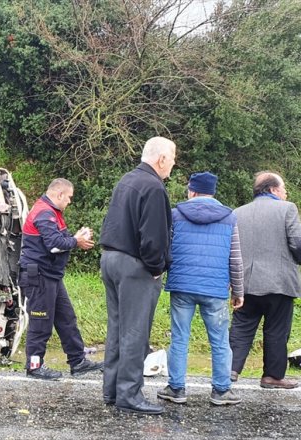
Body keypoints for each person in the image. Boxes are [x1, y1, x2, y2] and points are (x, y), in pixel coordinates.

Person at [99, 136, 176, 415]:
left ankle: (112, 390)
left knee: (118, 328)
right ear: (161, 159)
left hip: (110, 258)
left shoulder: (127, 180)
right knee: (134, 331)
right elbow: (153, 237)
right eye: (173, 157)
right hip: (135, 265)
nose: (174, 163)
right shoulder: (154, 187)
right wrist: (156, 268)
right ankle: (129, 394)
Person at [157, 172, 244, 406]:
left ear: (192, 191)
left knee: (180, 338)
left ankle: (176, 388)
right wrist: (238, 290)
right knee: (219, 340)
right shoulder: (229, 217)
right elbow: (235, 258)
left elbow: (166, 250)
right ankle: (221, 391)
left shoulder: (175, 215)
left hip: (182, 286)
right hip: (215, 289)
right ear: (212, 192)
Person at [19, 178, 102, 380]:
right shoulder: (44, 212)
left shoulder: (53, 213)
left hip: (52, 275)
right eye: (69, 197)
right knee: (40, 322)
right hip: (39, 275)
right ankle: (34, 366)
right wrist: (77, 240)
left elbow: (61, 241)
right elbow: (54, 245)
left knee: (66, 319)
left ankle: (78, 361)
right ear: (59, 195)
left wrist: (76, 238)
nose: (70, 202)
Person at [229, 171, 301, 389]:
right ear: (272, 190)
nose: (285, 192)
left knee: (241, 328)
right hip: (279, 283)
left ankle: (229, 370)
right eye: (283, 188)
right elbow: (297, 243)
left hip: (246, 282)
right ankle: (272, 376)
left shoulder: (237, 212)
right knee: (277, 330)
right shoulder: (287, 209)